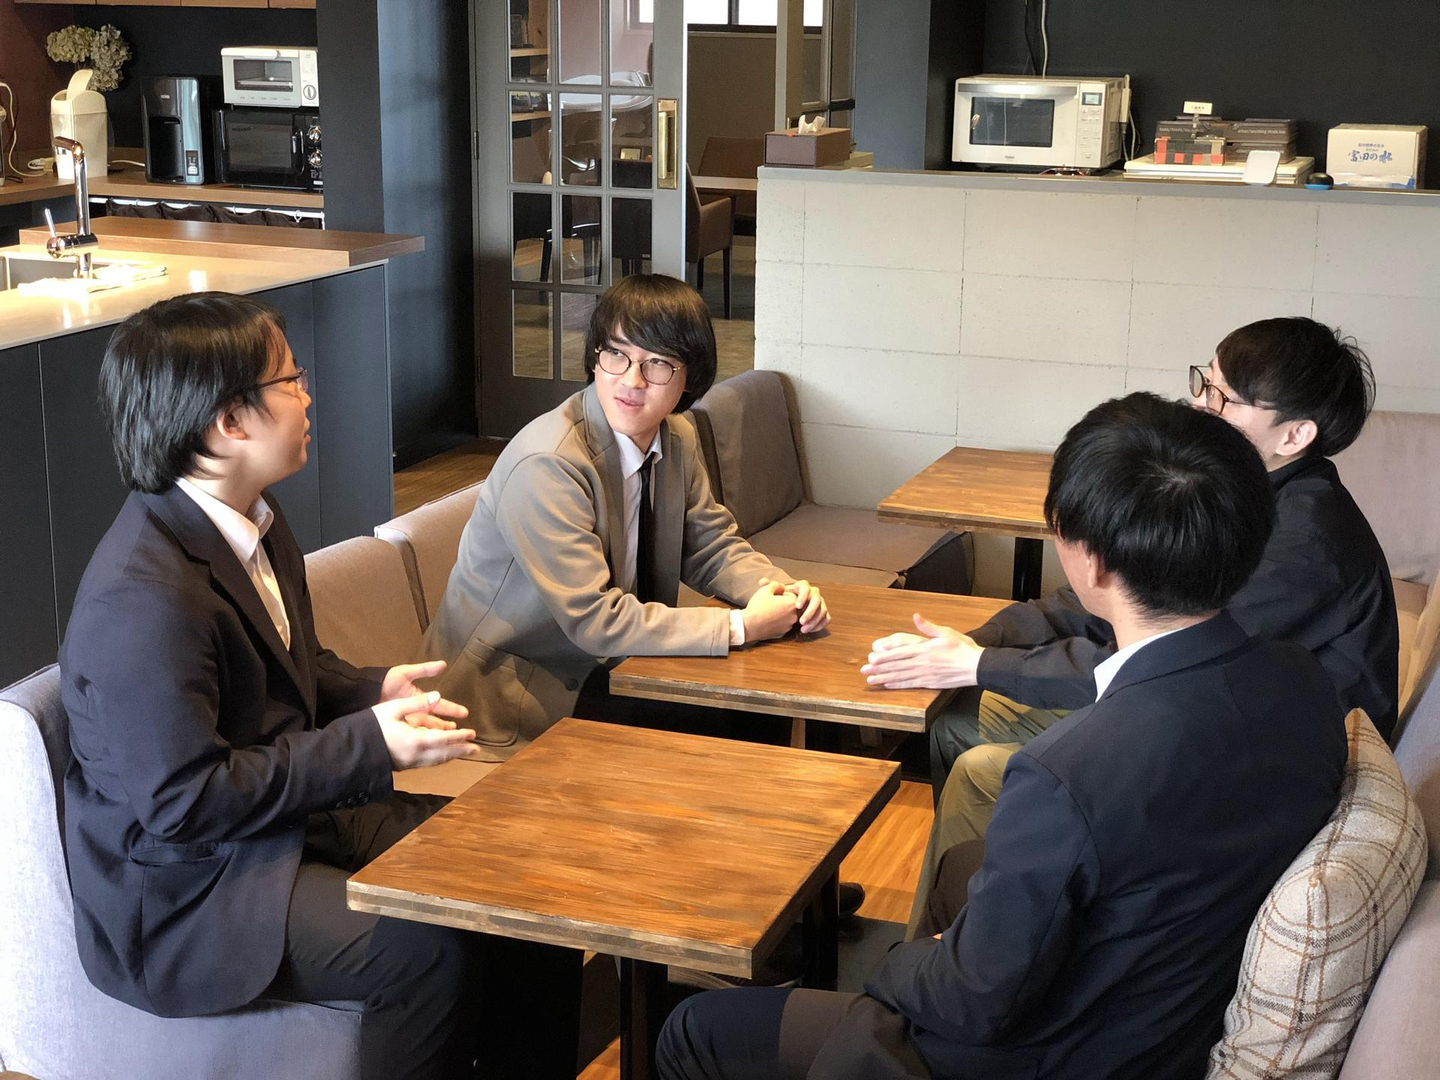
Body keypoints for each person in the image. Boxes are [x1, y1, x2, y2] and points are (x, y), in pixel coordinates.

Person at [655, 392, 1348, 1080]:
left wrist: (903, 963)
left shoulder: (1066, 773)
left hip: (1056, 1055)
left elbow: (974, 1002)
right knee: (962, 866)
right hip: (1172, 1003)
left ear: (1093, 564)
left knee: (696, 1030)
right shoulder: (1303, 683)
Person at [60, 293, 574, 1080]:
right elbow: (184, 803)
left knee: (520, 873)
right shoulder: (143, 596)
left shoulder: (252, 520)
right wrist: (368, 744)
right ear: (229, 421)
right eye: (290, 380)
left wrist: (373, 689)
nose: (308, 395)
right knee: (424, 949)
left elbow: (286, 671)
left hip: (279, 827)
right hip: (190, 893)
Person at [872, 317, 1395, 933]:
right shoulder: (1245, 491)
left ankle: (977, 934)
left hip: (1250, 762)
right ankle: (978, 906)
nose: (1200, 406)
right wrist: (980, 643)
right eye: (1204, 383)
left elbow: (1159, 657)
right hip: (1200, 708)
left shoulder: (1303, 543)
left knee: (982, 764)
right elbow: (1115, 595)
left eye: (1224, 399)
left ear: (1296, 434)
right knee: (959, 717)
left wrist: (978, 664)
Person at [425, 273, 829, 755]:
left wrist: (781, 592)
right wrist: (741, 627)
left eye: (657, 363)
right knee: (728, 726)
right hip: (512, 695)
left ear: (689, 378)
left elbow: (711, 547)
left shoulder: (675, 437)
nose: (632, 382)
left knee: (766, 708)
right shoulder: (549, 464)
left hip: (611, 664)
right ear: (595, 356)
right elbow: (594, 620)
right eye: (616, 354)